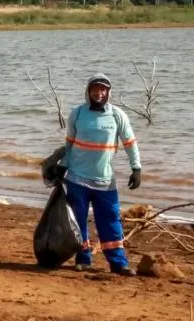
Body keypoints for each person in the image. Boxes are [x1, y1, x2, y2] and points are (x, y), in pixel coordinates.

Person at [53, 73, 142, 276]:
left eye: (103, 89)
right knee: (78, 221)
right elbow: (70, 143)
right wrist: (63, 165)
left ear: (108, 92)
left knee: (110, 220)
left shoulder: (117, 115)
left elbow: (130, 143)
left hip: (105, 181)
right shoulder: (77, 114)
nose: (99, 93)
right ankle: (83, 258)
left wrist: (136, 168)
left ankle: (118, 263)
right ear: (88, 91)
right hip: (77, 178)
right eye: (95, 89)